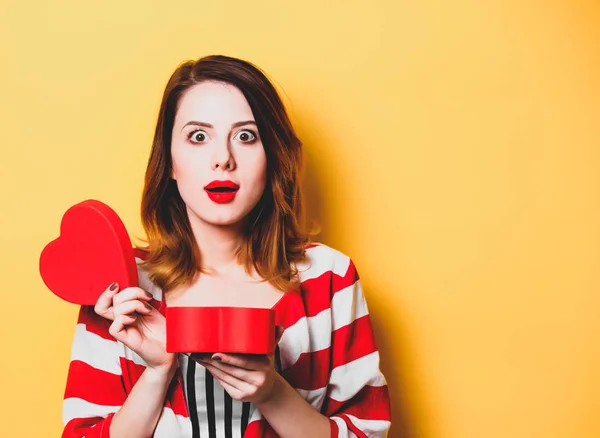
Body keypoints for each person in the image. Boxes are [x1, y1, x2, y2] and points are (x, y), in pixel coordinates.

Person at [61, 55, 391, 438]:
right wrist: (157, 372)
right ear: (168, 160)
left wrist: (272, 392)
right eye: (198, 137)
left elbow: (367, 433)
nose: (223, 160)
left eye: (246, 136)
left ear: (273, 157)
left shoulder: (329, 280)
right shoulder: (123, 287)